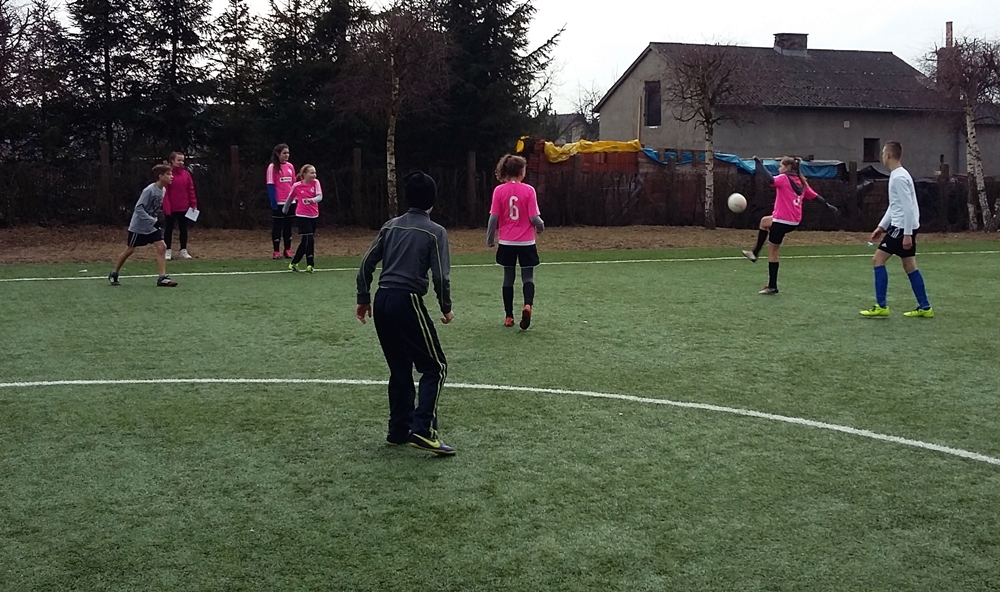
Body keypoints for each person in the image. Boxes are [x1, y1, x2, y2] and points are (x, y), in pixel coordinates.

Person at [356, 171, 455, 456]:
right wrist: (446, 307)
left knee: (400, 367)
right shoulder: (435, 232)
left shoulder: (390, 226)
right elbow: (440, 276)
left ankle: (398, 430)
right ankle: (423, 430)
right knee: (435, 367)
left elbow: (365, 264)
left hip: (382, 299)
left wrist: (363, 298)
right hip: (407, 300)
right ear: (433, 200)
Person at [741, 156, 838, 294]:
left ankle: (772, 286)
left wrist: (759, 164)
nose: (779, 169)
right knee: (764, 221)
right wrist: (828, 206)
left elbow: (770, 179)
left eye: (781, 166)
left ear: (787, 167)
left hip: (781, 221)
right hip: (793, 222)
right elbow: (816, 197)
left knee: (773, 252)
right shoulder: (802, 183)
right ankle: (755, 253)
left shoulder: (783, 179)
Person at [860, 141, 933, 318]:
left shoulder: (899, 177)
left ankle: (881, 306)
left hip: (901, 229)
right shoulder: (899, 175)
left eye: (883, 153)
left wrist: (907, 234)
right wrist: (881, 226)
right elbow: (895, 206)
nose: (882, 156)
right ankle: (925, 307)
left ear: (889, 155)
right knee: (909, 266)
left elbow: (907, 207)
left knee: (878, 260)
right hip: (903, 227)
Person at [486, 154, 544, 328]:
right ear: (521, 171)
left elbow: (493, 218)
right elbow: (534, 218)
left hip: (506, 242)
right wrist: (540, 226)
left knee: (508, 278)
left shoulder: (499, 191)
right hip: (526, 243)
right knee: (528, 277)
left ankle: (508, 316)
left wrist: (490, 238)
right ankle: (527, 305)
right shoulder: (529, 190)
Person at [108, 164, 179, 288]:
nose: (171, 176)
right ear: (160, 176)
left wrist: (159, 217)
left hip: (152, 226)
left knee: (162, 247)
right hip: (139, 226)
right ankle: (114, 273)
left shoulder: (163, 190)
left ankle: (162, 277)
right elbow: (139, 208)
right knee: (130, 249)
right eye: (168, 174)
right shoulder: (149, 190)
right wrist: (151, 220)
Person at [284, 164, 322, 273]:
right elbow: (290, 198)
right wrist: (285, 210)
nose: (314, 175)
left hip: (313, 215)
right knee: (310, 239)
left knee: (305, 241)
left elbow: (319, 197)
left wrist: (312, 200)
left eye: (315, 173)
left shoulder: (316, 183)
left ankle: (294, 262)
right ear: (304, 174)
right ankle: (310, 264)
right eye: (311, 173)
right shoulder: (297, 186)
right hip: (302, 216)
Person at [162, 151, 198, 261]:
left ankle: (183, 250)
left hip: (184, 207)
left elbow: (190, 190)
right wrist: (167, 208)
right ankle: (167, 250)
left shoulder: (186, 174)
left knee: (183, 229)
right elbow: (165, 193)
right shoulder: (168, 175)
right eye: (178, 160)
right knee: (169, 229)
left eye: (182, 160)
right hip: (171, 207)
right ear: (172, 161)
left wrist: (193, 204)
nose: (181, 162)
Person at [266, 144, 296, 259]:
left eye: (288, 153)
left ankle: (287, 249)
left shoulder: (290, 166)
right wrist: (273, 202)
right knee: (277, 226)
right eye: (284, 153)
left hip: (290, 202)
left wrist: (295, 198)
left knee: (288, 226)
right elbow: (270, 185)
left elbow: (293, 184)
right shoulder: (272, 167)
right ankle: (276, 251)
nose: (287, 155)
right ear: (278, 154)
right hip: (279, 202)